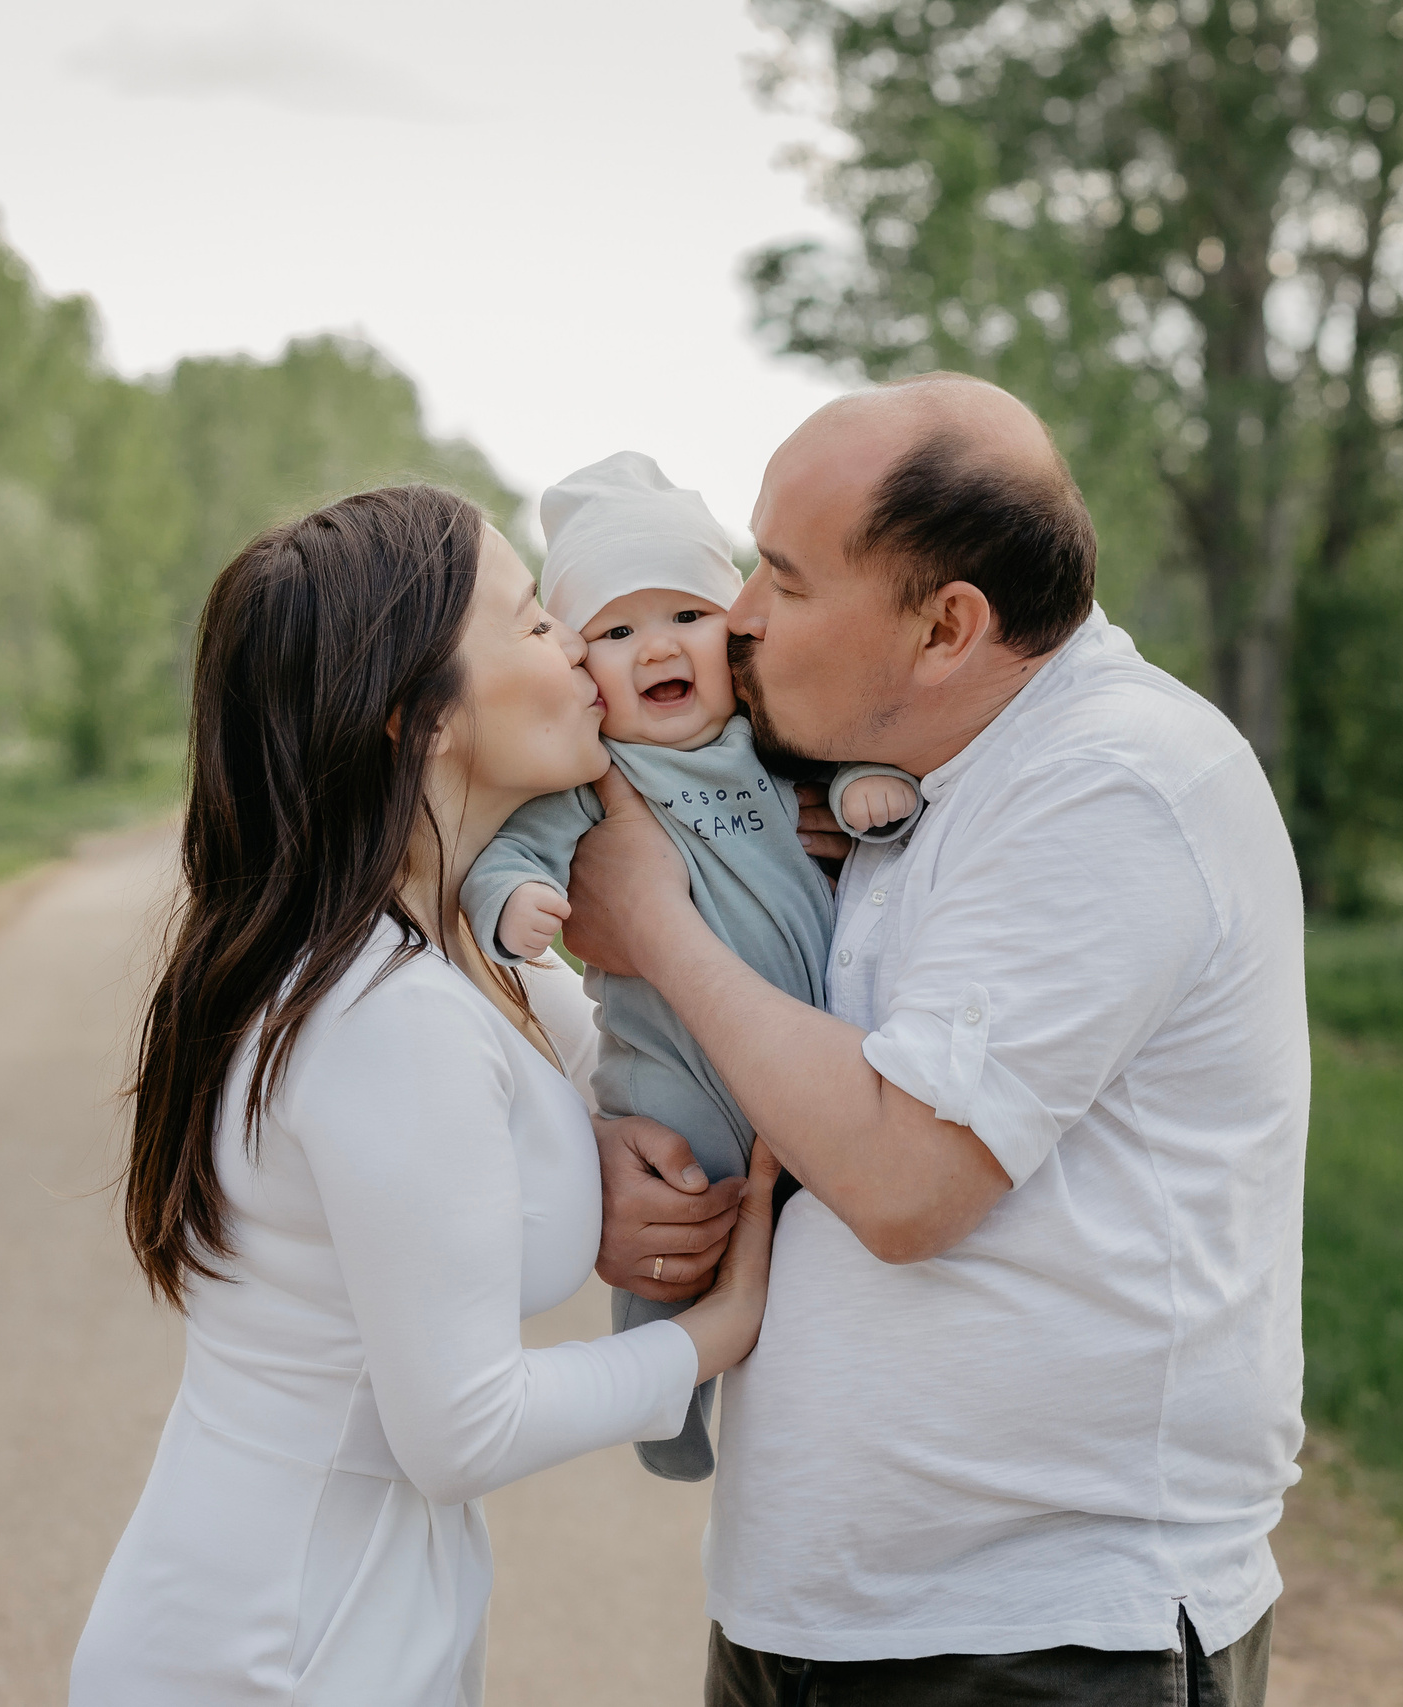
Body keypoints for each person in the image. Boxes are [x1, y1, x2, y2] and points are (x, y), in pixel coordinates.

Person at [567, 377, 1307, 1705]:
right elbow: (799, 1075)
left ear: (946, 625)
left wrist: (658, 922)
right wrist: (625, 1155)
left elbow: (907, 1179)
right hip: (826, 1608)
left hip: (1037, 1643)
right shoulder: (921, 776)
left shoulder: (1112, 782)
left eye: (784, 583)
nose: (736, 618)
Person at [69, 485, 782, 1707]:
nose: (580, 649)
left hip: (341, 1614)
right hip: (281, 1652)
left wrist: (603, 1144)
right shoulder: (382, 1012)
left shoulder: (446, 950)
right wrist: (716, 1332)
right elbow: (461, 1430)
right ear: (421, 719)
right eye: (532, 626)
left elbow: (583, 1075)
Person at [459, 450, 917, 1482]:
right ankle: (664, 1392)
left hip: (805, 1040)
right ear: (584, 668)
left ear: (732, 631)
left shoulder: (773, 738)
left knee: (808, 1221)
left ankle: (790, 1378)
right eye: (616, 633)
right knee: (684, 1194)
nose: (655, 647)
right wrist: (514, 901)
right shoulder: (601, 772)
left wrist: (863, 799)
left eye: (685, 617)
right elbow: (514, 855)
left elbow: (850, 779)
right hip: (671, 1059)